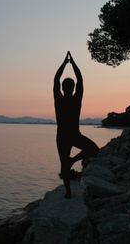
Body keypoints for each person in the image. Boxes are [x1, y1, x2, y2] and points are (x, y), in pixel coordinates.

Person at [54, 51, 99, 198]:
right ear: (71, 88)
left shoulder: (62, 99)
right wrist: (72, 63)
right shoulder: (73, 99)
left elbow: (56, 79)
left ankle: (71, 166)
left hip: (70, 135)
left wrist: (65, 63)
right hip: (67, 136)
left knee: (67, 162)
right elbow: (79, 79)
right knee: (91, 150)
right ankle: (68, 190)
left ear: (64, 88)